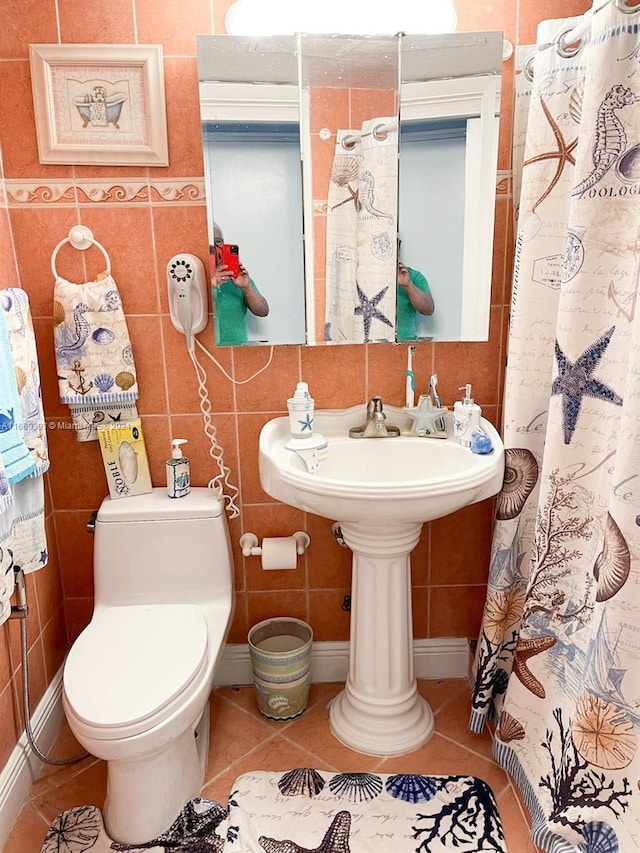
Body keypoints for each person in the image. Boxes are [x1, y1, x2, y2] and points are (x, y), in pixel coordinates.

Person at [210, 223, 269, 345]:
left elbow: (263, 311)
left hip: (238, 352)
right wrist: (210, 285)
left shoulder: (235, 275)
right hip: (206, 353)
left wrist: (246, 287)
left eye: (219, 241)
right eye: (210, 243)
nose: (216, 248)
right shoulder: (194, 277)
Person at [396, 248, 434, 340]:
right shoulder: (364, 275)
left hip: (406, 346)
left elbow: (428, 309)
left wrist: (408, 285)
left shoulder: (414, 276)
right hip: (367, 346)